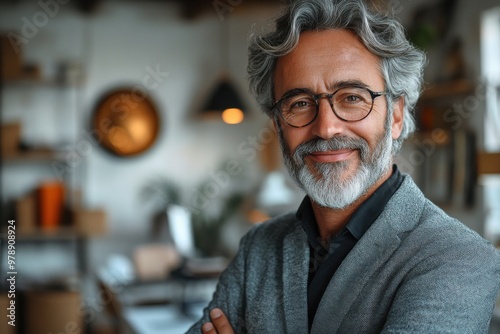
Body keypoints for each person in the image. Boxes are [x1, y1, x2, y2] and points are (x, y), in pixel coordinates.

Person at [187, 0, 500, 333]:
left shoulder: (457, 258)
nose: (325, 128)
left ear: (394, 116)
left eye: (352, 97)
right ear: (278, 124)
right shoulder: (259, 246)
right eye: (300, 103)